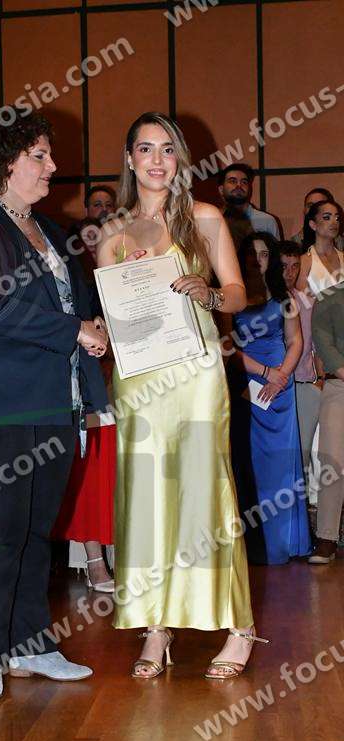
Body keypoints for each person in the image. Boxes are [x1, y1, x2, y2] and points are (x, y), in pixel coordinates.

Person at [0, 110, 109, 700]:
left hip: (52, 402)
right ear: (3, 161)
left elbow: (78, 305)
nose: (52, 166)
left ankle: (31, 645)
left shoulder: (50, 231)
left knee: (38, 531)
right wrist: (74, 330)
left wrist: (99, 325)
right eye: (39, 155)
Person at [98, 111, 266, 682]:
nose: (156, 160)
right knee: (145, 493)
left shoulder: (206, 217)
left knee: (205, 488)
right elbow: (113, 318)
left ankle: (238, 626)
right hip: (140, 377)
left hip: (196, 372)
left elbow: (239, 293)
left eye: (167, 149)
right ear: (130, 159)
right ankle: (155, 626)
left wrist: (210, 294)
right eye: (145, 149)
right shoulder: (111, 235)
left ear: (180, 160)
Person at [229, 232, 311, 565]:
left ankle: (286, 542)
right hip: (245, 384)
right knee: (250, 463)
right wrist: (265, 372)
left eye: (264, 254)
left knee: (282, 463)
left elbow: (296, 341)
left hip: (280, 389)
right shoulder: (232, 297)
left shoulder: (284, 296)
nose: (258, 260)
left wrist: (280, 376)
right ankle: (254, 544)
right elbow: (227, 347)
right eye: (253, 254)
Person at [53, 217, 115, 593]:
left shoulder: (126, 274)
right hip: (87, 383)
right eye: (86, 239)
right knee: (93, 470)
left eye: (100, 239)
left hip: (136, 382)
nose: (93, 246)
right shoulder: (69, 279)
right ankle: (95, 560)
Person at [279, 241, 324, 498]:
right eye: (284, 266)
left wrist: (319, 382)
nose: (289, 272)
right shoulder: (265, 300)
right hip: (271, 386)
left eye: (295, 266)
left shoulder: (308, 302)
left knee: (302, 453)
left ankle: (298, 511)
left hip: (303, 384)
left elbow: (318, 346)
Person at [310, 281, 344, 563]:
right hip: (338, 387)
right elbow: (323, 343)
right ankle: (327, 538)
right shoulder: (328, 297)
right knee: (332, 460)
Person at [218, 163, 280, 248]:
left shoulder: (267, 221)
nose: (239, 185)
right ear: (221, 189)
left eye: (244, 182)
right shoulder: (214, 219)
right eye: (233, 181)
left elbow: (275, 255)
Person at [297, 200, 344, 292]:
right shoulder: (304, 262)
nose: (334, 222)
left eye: (337, 218)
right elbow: (302, 299)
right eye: (327, 217)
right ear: (313, 224)